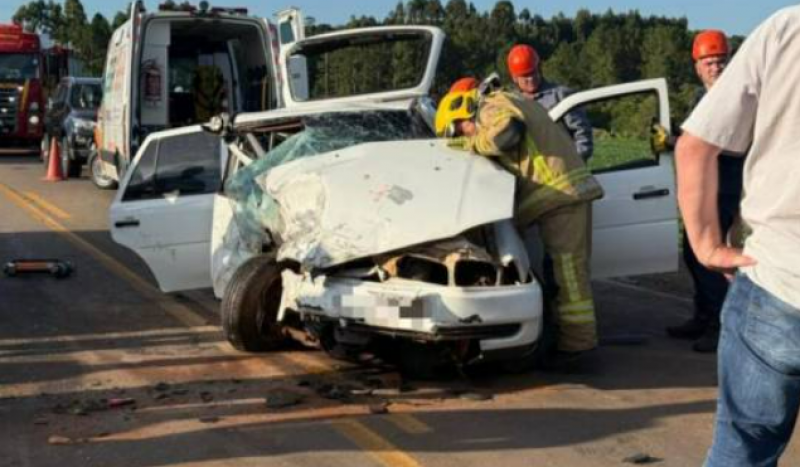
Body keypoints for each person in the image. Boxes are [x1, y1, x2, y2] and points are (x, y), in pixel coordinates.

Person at [676, 7, 800, 465]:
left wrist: (707, 243)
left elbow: (692, 147)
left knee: (741, 450)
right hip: (756, 245)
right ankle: (702, 314)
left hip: (779, 279)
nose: (713, 66)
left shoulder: (786, 30)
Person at [436, 81, 603, 353]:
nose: (462, 132)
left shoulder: (491, 106)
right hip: (560, 196)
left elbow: (508, 134)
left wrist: (470, 143)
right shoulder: (509, 100)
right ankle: (564, 340)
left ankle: (578, 348)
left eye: (457, 127)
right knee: (562, 275)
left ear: (464, 113)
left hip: (561, 196)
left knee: (570, 277)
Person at [666, 30, 745, 353]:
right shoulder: (704, 98)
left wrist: (679, 144)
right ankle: (703, 315)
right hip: (704, 188)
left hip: (725, 188)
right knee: (693, 253)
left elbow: (736, 146)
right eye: (709, 62)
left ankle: (720, 325)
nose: (716, 67)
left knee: (711, 259)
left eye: (720, 61)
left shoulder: (738, 96)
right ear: (696, 66)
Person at [506, 44, 593, 161]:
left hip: (567, 171)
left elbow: (582, 134)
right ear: (514, 77)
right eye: (525, 75)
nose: (531, 78)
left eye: (533, 72)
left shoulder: (561, 95)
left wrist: (575, 161)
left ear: (539, 69)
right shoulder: (511, 102)